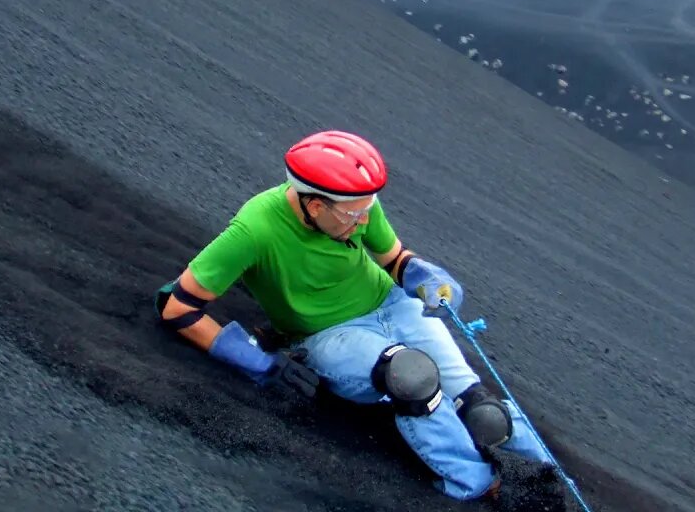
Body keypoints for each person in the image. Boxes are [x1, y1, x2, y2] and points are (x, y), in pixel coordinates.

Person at [154, 130, 565, 509]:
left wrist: (426, 277)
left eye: (367, 209)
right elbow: (177, 306)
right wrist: (259, 363)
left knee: (484, 414)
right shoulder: (253, 231)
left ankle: (554, 481)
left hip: (393, 305)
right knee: (410, 378)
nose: (364, 221)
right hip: (328, 335)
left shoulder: (355, 204)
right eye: (354, 215)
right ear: (314, 205)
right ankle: (477, 487)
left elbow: (394, 258)